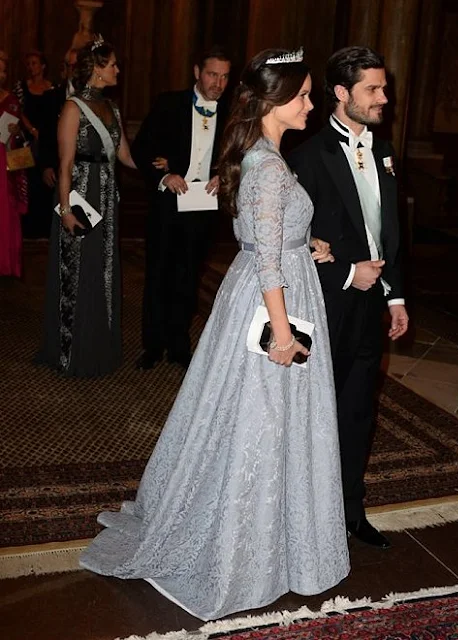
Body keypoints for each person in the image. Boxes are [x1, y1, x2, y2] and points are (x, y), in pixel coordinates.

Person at [80, 47, 350, 621]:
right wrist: (281, 333)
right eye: (302, 95)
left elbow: (267, 238)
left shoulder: (264, 156)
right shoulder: (268, 167)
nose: (311, 103)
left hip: (268, 286)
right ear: (273, 102)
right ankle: (240, 549)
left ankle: (272, 535)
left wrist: (312, 246)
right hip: (271, 303)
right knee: (261, 419)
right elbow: (269, 261)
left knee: (257, 419)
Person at [289, 46, 409, 549]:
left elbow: (392, 229)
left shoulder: (383, 150)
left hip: (371, 305)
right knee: (314, 413)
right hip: (326, 303)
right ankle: (302, 515)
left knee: (360, 409)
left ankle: (350, 511)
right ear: (342, 93)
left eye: (383, 88)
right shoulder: (306, 157)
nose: (385, 98)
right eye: (373, 90)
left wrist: (395, 295)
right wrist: (345, 275)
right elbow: (292, 241)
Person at [36, 37, 136, 377]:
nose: (118, 70)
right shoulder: (73, 107)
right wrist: (64, 211)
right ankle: (69, 350)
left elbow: (124, 156)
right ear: (96, 69)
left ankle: (97, 346)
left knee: (102, 271)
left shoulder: (114, 108)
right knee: (75, 272)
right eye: (112, 65)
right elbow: (64, 164)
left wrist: (164, 170)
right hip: (78, 196)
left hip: (107, 198)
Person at [132, 46, 231, 371]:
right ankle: (152, 344)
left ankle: (178, 343)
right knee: (159, 272)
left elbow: (241, 155)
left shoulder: (233, 112)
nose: (218, 82)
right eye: (212, 74)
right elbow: (142, 147)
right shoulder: (169, 103)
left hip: (205, 206)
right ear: (196, 72)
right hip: (168, 202)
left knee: (189, 278)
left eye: (224, 76)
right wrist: (165, 175)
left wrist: (225, 175)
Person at [13, 51, 54, 238]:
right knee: (25, 182)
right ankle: (26, 228)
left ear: (43, 66)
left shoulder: (52, 87)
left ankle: (43, 227)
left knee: (43, 182)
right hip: (26, 141)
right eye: (28, 64)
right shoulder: (21, 87)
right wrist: (32, 130)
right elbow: (16, 110)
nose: (31, 67)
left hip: (45, 141)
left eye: (35, 63)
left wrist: (43, 134)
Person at [0, 52, 28, 277]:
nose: (2, 75)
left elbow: (16, 141)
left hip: (3, 160)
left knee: (5, 209)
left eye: (4, 70)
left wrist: (16, 132)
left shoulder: (10, 100)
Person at [39, 48, 78, 191]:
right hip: (57, 167)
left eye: (79, 65)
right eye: (71, 66)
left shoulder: (94, 100)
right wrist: (46, 166)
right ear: (66, 68)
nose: (74, 70)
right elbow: (45, 134)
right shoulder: (51, 98)